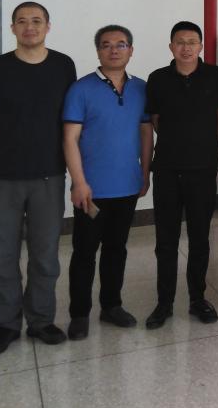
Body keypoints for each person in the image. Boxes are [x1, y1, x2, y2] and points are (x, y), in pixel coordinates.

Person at [0, 1, 76, 356]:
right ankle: (5, 325)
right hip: (2, 177)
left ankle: (41, 321)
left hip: (49, 174)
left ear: (48, 26)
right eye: (22, 21)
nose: (29, 26)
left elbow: (70, 118)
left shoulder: (63, 65)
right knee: (3, 255)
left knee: (45, 255)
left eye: (36, 20)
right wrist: (6, 148)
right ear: (13, 28)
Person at [63, 25, 152, 340]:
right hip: (91, 189)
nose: (114, 50)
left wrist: (145, 173)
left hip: (127, 186)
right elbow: (69, 138)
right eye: (106, 45)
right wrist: (78, 182)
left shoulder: (141, 89)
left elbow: (145, 133)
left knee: (117, 249)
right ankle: (79, 314)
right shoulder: (81, 89)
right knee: (84, 252)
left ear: (131, 50)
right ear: (98, 50)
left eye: (121, 44)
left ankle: (111, 306)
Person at [143, 21, 218, 329]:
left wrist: (202, 142)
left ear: (201, 46)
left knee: (200, 237)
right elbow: (155, 120)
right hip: (166, 168)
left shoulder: (216, 76)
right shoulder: (157, 78)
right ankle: (164, 303)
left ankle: (197, 299)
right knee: (165, 239)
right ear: (171, 47)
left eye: (192, 42)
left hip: (202, 168)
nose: (186, 47)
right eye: (180, 42)